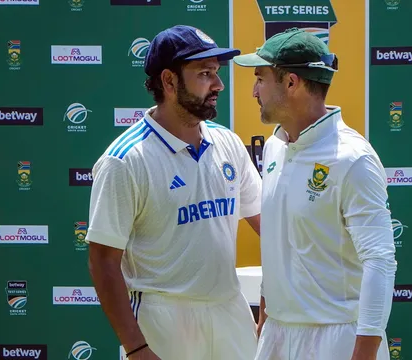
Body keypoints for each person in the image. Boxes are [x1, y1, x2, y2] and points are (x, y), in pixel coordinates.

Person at [86, 25, 262, 360]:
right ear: (169, 81)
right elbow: (103, 261)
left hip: (229, 311)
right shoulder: (124, 160)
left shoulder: (228, 143)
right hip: (162, 320)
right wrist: (136, 347)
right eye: (205, 74)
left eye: (217, 73)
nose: (218, 85)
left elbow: (267, 226)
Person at [232, 28, 397, 360]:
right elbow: (279, 244)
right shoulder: (276, 147)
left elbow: (380, 262)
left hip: (336, 340)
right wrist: (266, 321)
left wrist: (364, 353)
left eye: (261, 78)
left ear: (291, 83)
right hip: (277, 335)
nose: (254, 91)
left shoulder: (353, 159)